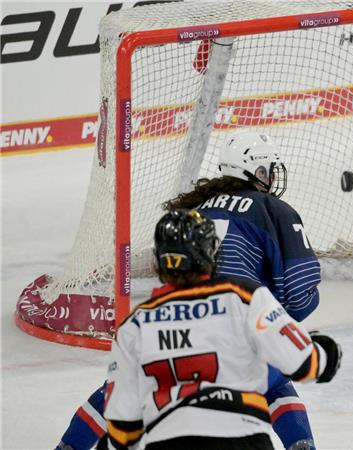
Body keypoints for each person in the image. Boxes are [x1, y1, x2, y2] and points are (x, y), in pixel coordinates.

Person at [57, 131, 322, 450]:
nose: (270, 178)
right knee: (274, 380)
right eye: (265, 170)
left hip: (173, 316)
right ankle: (302, 446)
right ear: (253, 172)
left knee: (128, 383)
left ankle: (68, 447)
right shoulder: (273, 209)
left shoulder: (195, 207)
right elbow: (300, 290)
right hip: (234, 313)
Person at [103, 209, 340, 449]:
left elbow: (123, 428)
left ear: (159, 260)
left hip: (167, 441)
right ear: (209, 254)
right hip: (242, 438)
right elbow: (302, 364)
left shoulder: (134, 325)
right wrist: (325, 353)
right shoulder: (243, 296)